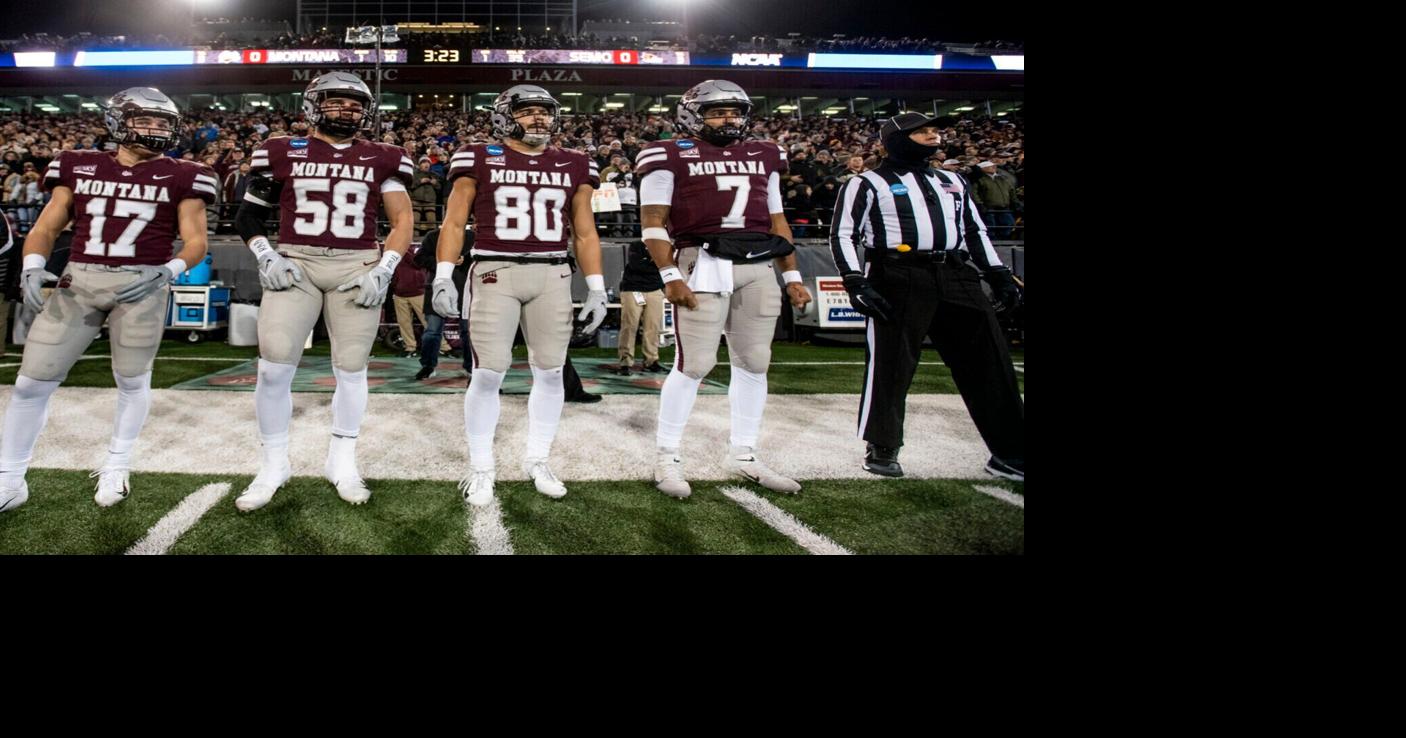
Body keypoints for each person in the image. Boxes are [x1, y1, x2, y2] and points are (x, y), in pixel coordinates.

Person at [0, 87, 214, 512]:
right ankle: (10, 477)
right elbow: (46, 227)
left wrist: (167, 270)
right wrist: (32, 264)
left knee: (133, 380)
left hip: (142, 283)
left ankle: (118, 464)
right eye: (144, 120)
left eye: (161, 122)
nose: (154, 129)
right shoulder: (77, 163)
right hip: (80, 278)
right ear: (117, 122)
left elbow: (196, 241)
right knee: (30, 383)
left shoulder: (185, 172)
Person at [231, 72, 416, 511]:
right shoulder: (282, 150)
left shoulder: (384, 156)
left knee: (352, 368)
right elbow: (247, 215)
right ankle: (274, 464)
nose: (347, 111)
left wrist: (386, 267)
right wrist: (266, 255)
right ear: (313, 105)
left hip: (357, 263)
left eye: (355, 105)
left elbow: (402, 220)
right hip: (298, 260)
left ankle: (342, 460)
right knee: (274, 366)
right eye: (337, 102)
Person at [635, 79, 813, 499]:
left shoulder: (764, 154)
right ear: (692, 115)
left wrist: (792, 277)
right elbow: (652, 223)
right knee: (693, 364)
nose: (728, 118)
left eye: (734, 111)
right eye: (717, 111)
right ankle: (668, 454)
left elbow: (777, 221)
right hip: (702, 261)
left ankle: (745, 453)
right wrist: (669, 274)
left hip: (757, 263)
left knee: (754, 361)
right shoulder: (667, 154)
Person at [432, 84, 607, 506]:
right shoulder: (477, 155)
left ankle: (538, 459)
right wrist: (442, 274)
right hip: (495, 269)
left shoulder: (575, 163)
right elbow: (454, 223)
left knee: (550, 371)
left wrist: (598, 287)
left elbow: (584, 230)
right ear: (505, 116)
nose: (538, 119)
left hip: (552, 273)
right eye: (527, 111)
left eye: (544, 112)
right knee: (488, 372)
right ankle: (481, 466)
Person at [828, 113, 1023, 482]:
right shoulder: (866, 183)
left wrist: (997, 274)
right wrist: (855, 281)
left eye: (935, 130)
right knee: (892, 363)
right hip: (897, 273)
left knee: (991, 362)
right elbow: (843, 234)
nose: (933, 136)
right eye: (922, 131)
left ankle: (1011, 451)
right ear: (895, 140)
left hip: (955, 272)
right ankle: (882, 445)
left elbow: (974, 230)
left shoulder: (952, 179)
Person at [614, 239, 666, 375]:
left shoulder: (664, 245)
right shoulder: (637, 245)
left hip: (654, 290)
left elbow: (668, 266)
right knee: (629, 326)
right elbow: (637, 265)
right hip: (633, 289)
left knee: (653, 327)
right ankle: (625, 362)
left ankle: (651, 361)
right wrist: (659, 263)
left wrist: (650, 261)